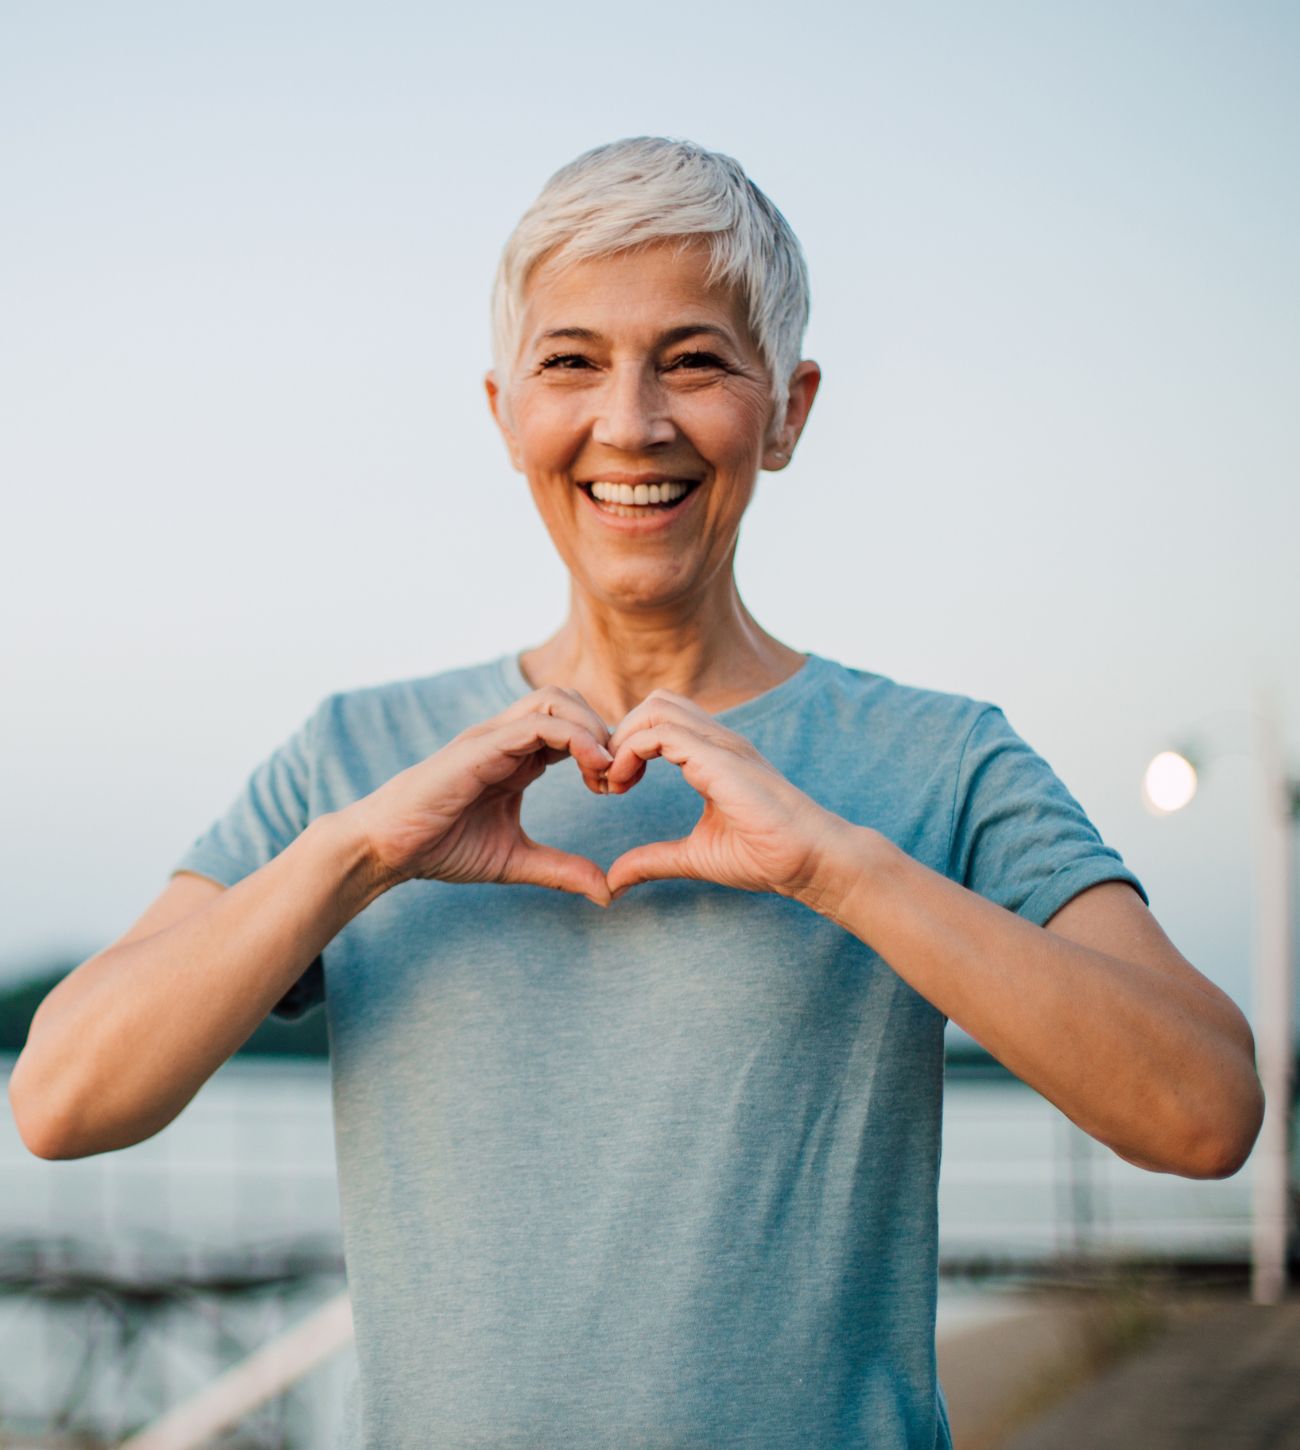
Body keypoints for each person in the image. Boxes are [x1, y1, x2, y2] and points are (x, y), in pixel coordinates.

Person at [11, 137, 1263, 1449]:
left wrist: (837, 868)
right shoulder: (357, 758)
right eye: (573, 362)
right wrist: (363, 855)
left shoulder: (941, 759)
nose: (632, 421)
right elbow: (63, 1097)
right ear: (503, 410)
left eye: (696, 358)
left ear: (788, 409)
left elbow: (1204, 1109)